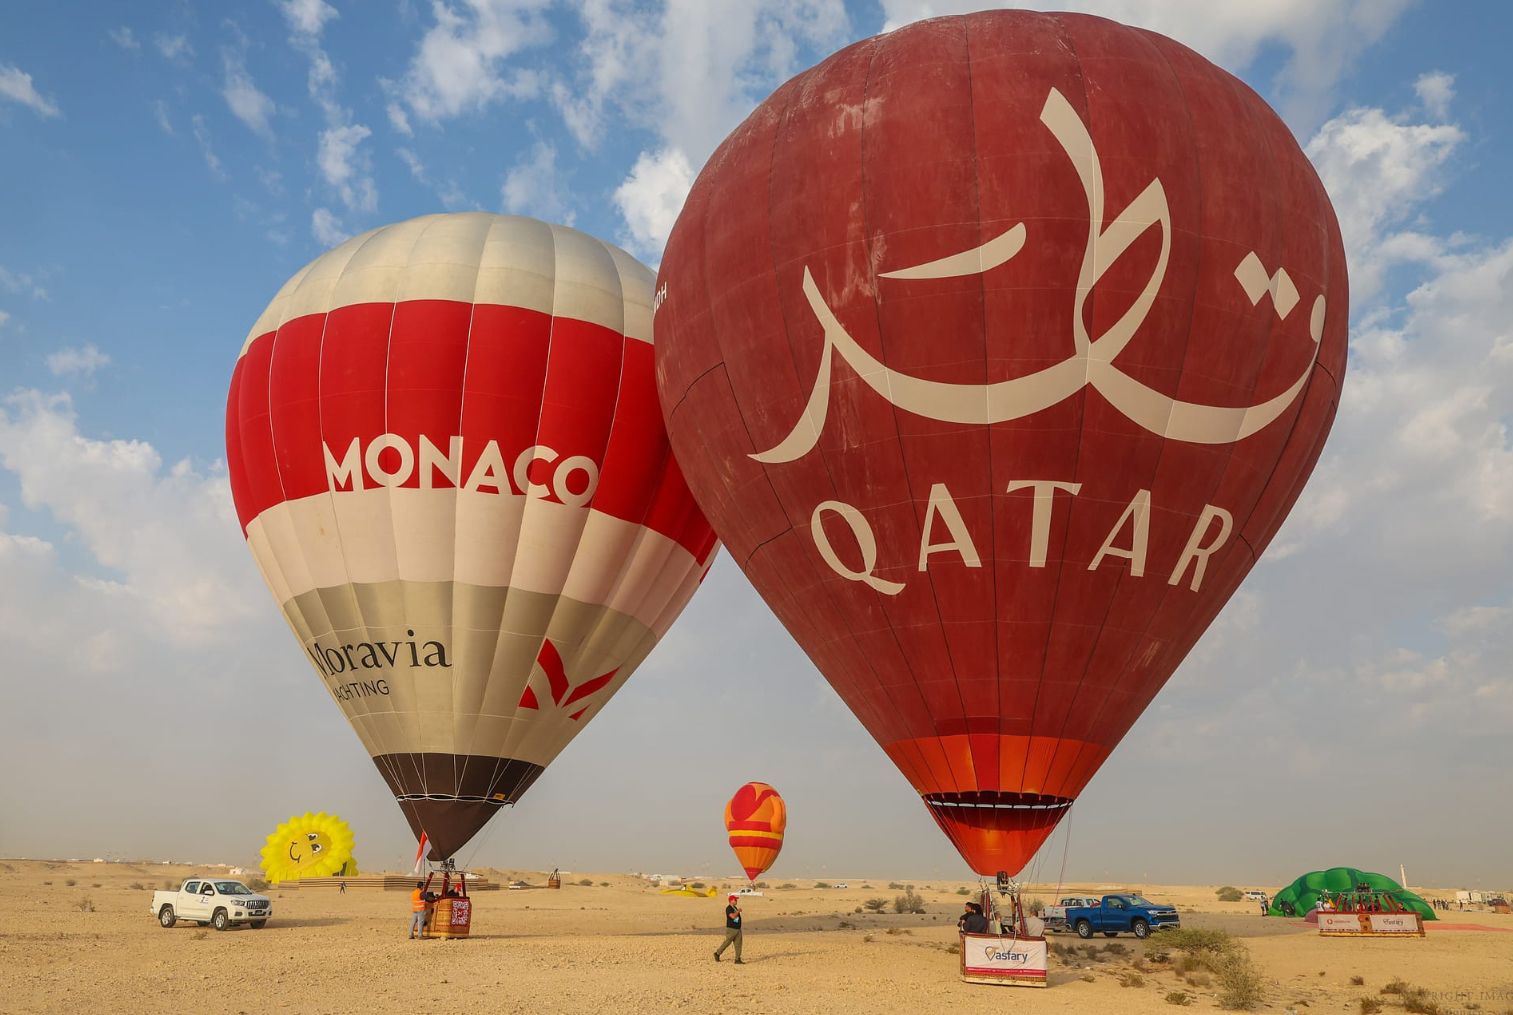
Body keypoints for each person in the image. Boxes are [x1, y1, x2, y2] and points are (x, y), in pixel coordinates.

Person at [714, 894, 744, 963]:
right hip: (731, 929)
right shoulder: (729, 908)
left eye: (736, 900)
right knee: (727, 942)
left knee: (738, 944)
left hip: (737, 929)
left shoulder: (735, 908)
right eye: (735, 900)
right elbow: (732, 916)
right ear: (731, 901)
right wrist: (738, 911)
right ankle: (717, 953)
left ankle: (737, 959)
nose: (736, 901)